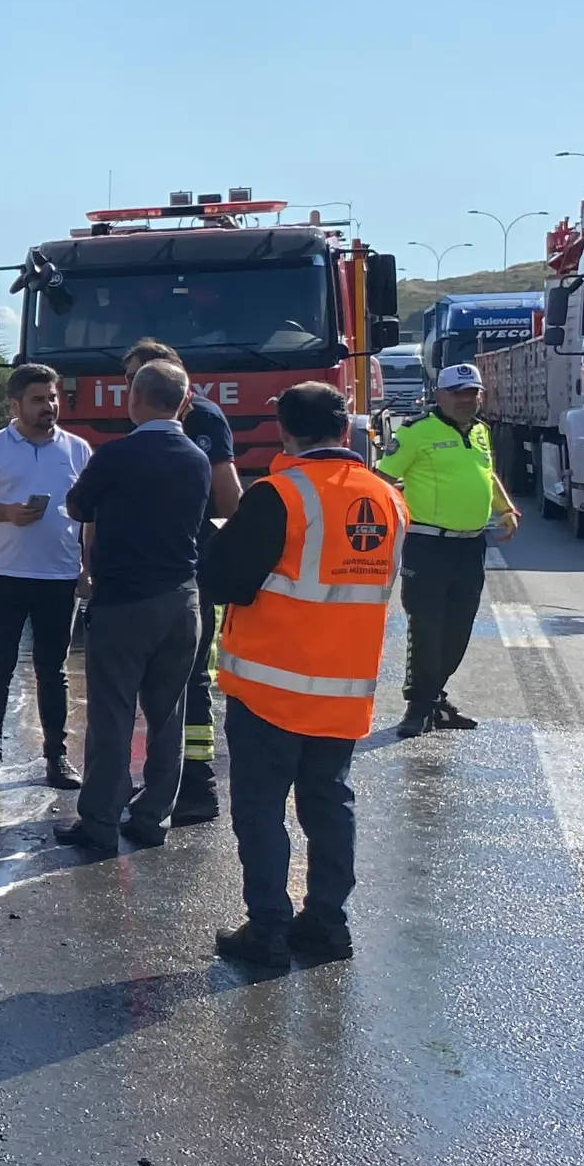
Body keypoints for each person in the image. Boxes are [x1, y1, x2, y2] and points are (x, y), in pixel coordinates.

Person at [201, 382, 406, 967]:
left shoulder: (279, 495)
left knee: (261, 810)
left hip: (271, 688)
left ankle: (267, 929)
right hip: (345, 690)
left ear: (285, 432)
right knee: (330, 804)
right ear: (345, 431)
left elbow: (224, 580)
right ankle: (326, 923)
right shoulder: (389, 499)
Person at [56, 360, 208, 851]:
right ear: (184, 401)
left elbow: (78, 506)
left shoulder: (115, 455)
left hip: (123, 602)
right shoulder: (197, 458)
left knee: (112, 716)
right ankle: (151, 818)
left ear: (135, 399)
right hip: (182, 599)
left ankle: (99, 821)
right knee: (167, 715)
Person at [0, 364, 92, 792]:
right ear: (14, 404)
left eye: (53, 397)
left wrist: (88, 568)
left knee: (54, 670)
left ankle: (57, 757)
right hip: (3, 574)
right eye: (38, 399)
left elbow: (90, 518)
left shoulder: (78, 449)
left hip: (59, 576)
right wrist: (5, 513)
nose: (49, 406)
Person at [119, 339, 243, 826]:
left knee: (189, 679)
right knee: (158, 682)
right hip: (153, 570)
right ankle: (164, 783)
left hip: (189, 569)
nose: (133, 389)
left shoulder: (204, 419)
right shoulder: (147, 427)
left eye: (141, 378)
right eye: (130, 379)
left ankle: (197, 786)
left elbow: (230, 498)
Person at [380, 362, 519, 738]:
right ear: (439, 396)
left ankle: (435, 698)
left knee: (458, 629)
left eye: (472, 393)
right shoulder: (415, 433)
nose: (465, 400)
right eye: (457, 393)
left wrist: (505, 508)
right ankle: (418, 705)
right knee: (426, 627)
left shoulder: (480, 432)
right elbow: (383, 481)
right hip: (427, 545)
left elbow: (485, 474)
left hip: (470, 545)